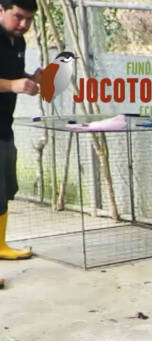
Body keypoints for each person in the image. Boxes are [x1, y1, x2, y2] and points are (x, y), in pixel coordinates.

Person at [0, 0, 40, 289]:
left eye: (28, 19)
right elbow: (8, 82)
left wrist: (29, 79)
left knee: (4, 189)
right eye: (18, 16)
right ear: (1, 9)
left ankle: (0, 245)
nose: (23, 24)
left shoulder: (19, 42)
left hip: (4, 126)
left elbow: (12, 77)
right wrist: (13, 85)